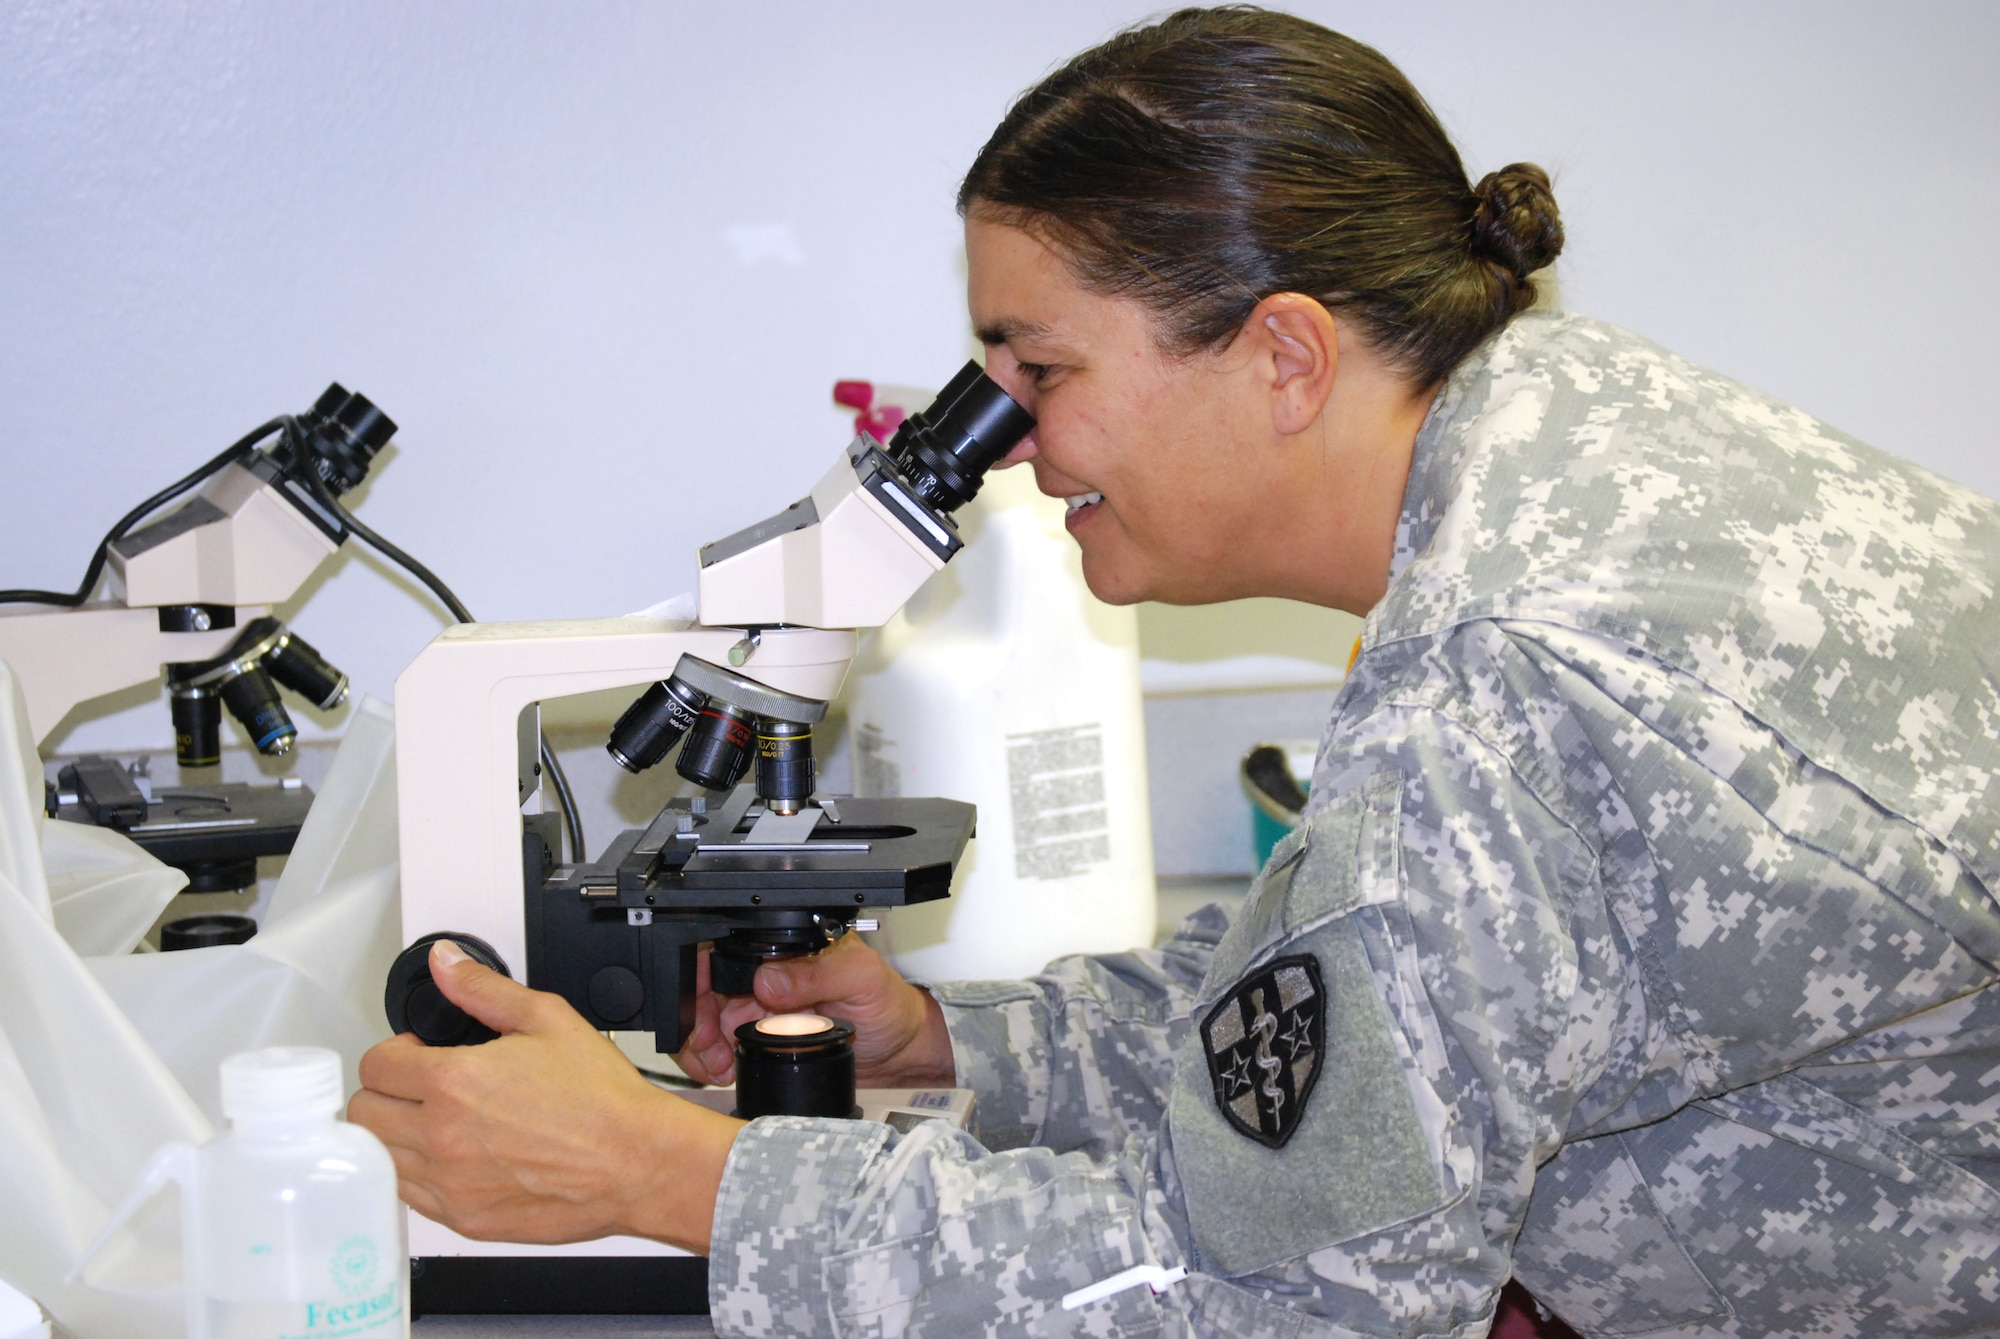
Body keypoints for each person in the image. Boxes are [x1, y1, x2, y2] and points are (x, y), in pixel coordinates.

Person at [349, 8, 2000, 1336]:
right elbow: (1352, 1012)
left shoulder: (1504, 670)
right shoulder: (1563, 456)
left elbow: (1265, 1297)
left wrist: (670, 1176)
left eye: (1040, 374)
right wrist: (954, 1040)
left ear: (1284, 355)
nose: (1008, 450)